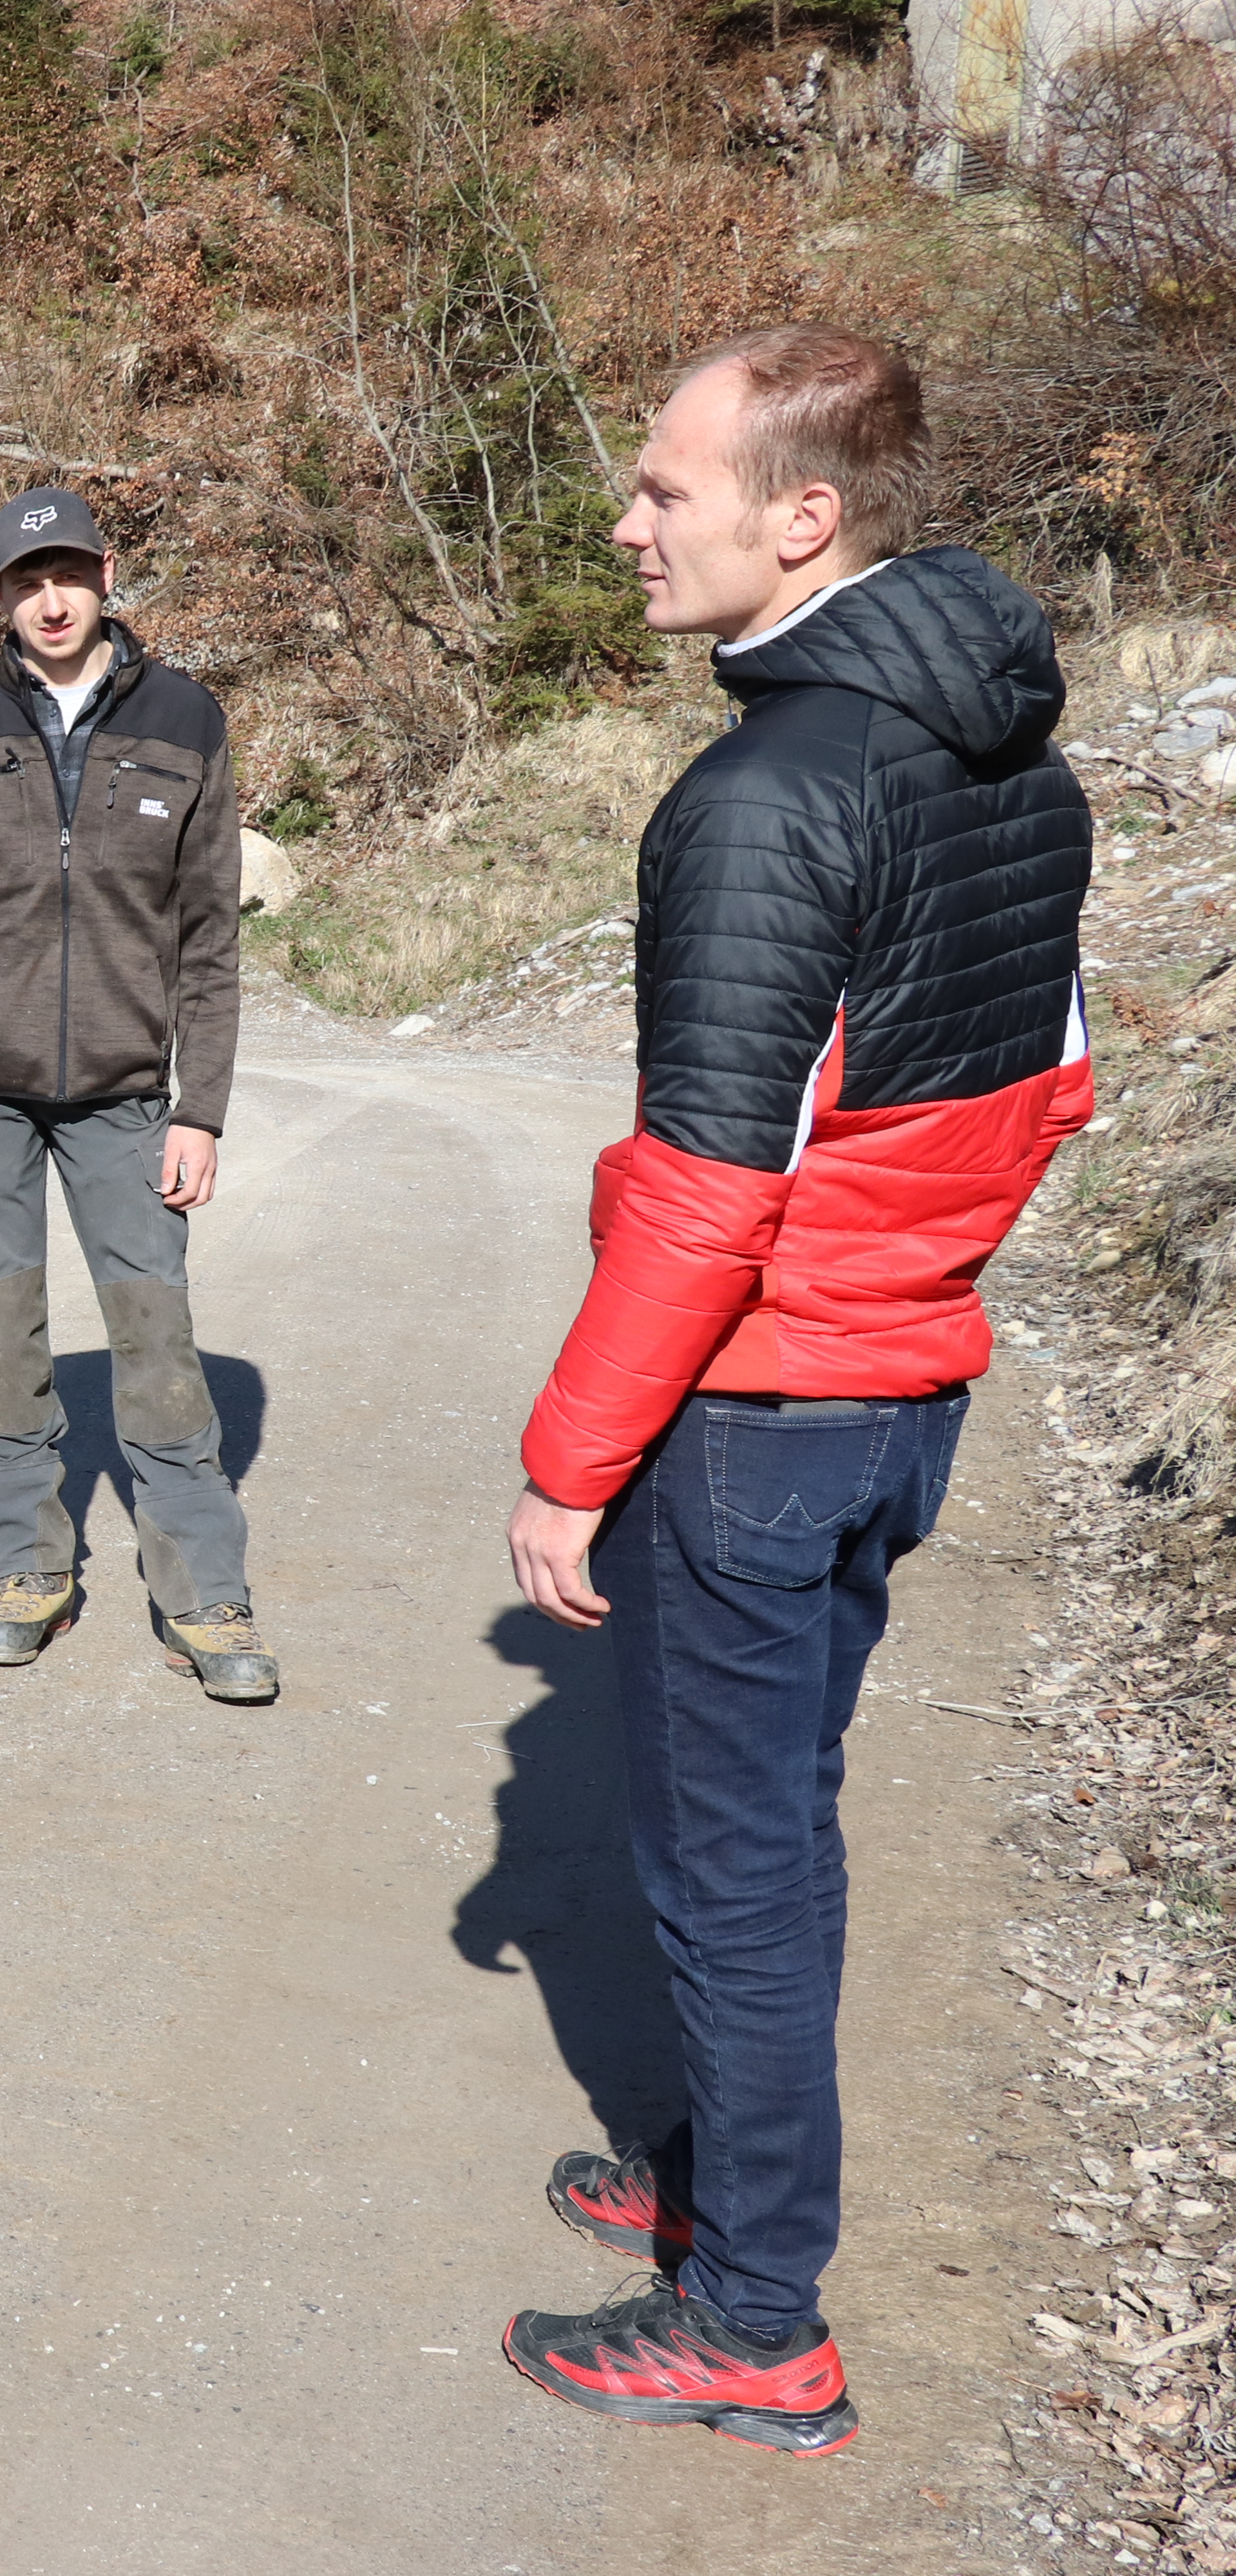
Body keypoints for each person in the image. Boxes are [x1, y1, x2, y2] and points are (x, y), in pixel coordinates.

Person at [499, 326, 1091, 2453]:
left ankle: (755, 2314)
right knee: (781, 1826)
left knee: (727, 1872)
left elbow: (703, 1193)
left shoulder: (765, 798)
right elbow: (1049, 1087)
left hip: (759, 1420)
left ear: (804, 517)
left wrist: (570, 1466)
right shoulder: (1012, 749)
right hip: (898, 1395)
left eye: (668, 488)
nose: (629, 523)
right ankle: (726, 2180)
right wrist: (903, 1275)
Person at [0, 486, 276, 1703]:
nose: (49, 601)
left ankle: (203, 1590)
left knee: (155, 1339)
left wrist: (200, 1108)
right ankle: (27, 1570)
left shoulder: (184, 719)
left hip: (124, 1096)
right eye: (24, 580)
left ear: (106, 574)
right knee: (4, 1340)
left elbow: (209, 937)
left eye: (67, 575)